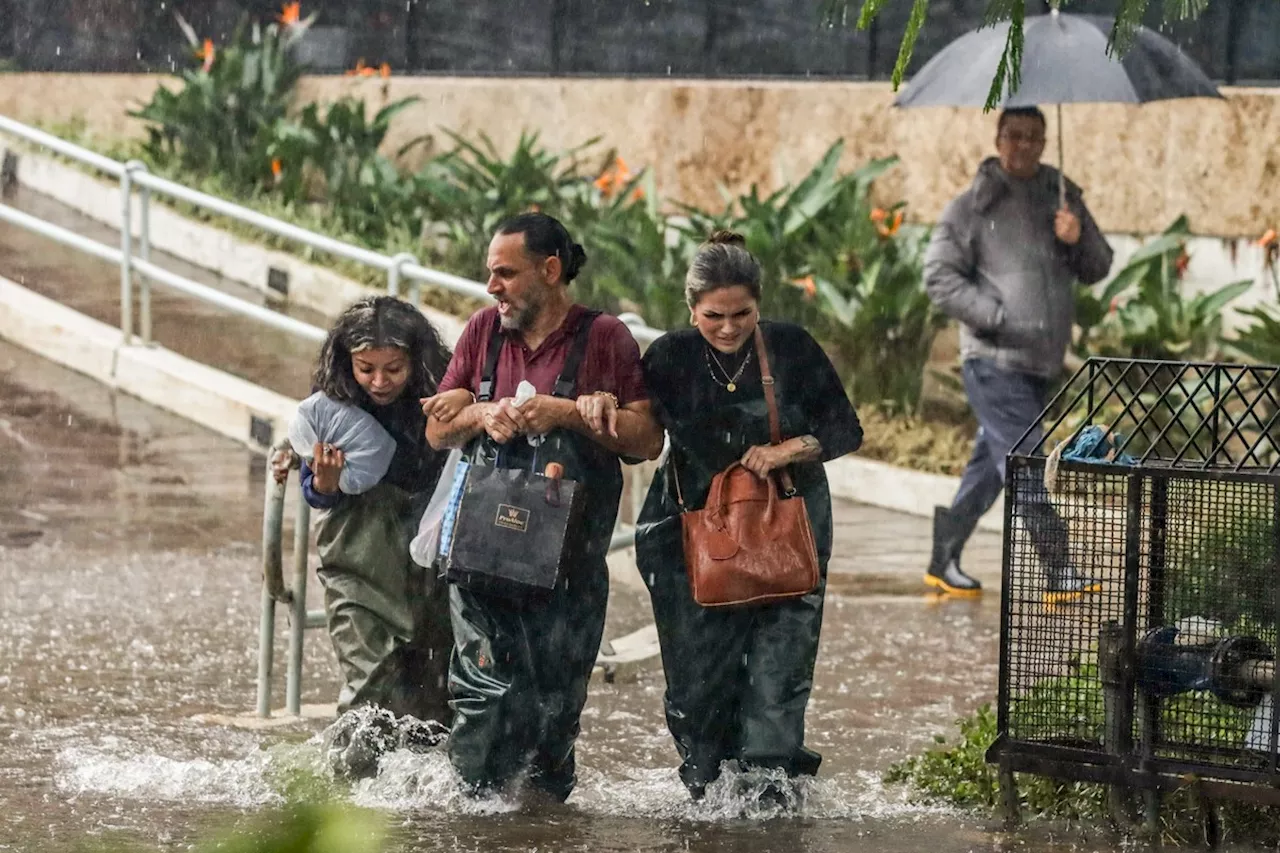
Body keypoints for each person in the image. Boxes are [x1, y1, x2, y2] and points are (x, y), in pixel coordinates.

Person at [425, 212, 663, 801]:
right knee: (484, 697)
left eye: (505, 273)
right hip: (483, 557)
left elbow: (646, 438)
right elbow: (439, 428)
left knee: (555, 714)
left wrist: (570, 413)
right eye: (490, 274)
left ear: (550, 270)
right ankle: (469, 821)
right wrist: (484, 413)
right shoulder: (482, 330)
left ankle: (541, 828)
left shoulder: (605, 337)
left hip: (570, 567)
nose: (492, 287)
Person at [634, 231, 863, 802]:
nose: (730, 328)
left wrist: (787, 450)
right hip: (693, 529)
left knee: (779, 669)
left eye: (742, 314)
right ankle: (707, 791)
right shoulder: (669, 356)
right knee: (695, 676)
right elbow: (637, 430)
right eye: (714, 316)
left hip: (785, 526)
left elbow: (845, 429)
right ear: (691, 309)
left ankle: (768, 794)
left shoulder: (791, 347)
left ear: (759, 304)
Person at [923, 106, 1114, 600]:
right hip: (992, 360)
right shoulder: (972, 207)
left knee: (990, 463)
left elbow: (1098, 267)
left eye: (1034, 137)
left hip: (1040, 362)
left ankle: (942, 561)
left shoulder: (1063, 198)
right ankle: (1059, 568)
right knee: (1027, 460)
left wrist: (1078, 237)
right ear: (998, 138)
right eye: (1015, 136)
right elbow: (938, 277)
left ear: (1046, 141)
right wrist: (997, 317)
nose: (1024, 145)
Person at [275, 295, 458, 738]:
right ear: (346, 364)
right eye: (366, 369)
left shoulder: (443, 393)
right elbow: (316, 494)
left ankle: (419, 801)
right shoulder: (332, 406)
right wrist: (325, 483)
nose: (379, 382)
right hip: (359, 567)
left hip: (432, 565)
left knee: (435, 698)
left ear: (417, 361)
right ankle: (350, 794)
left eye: (394, 369)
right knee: (369, 695)